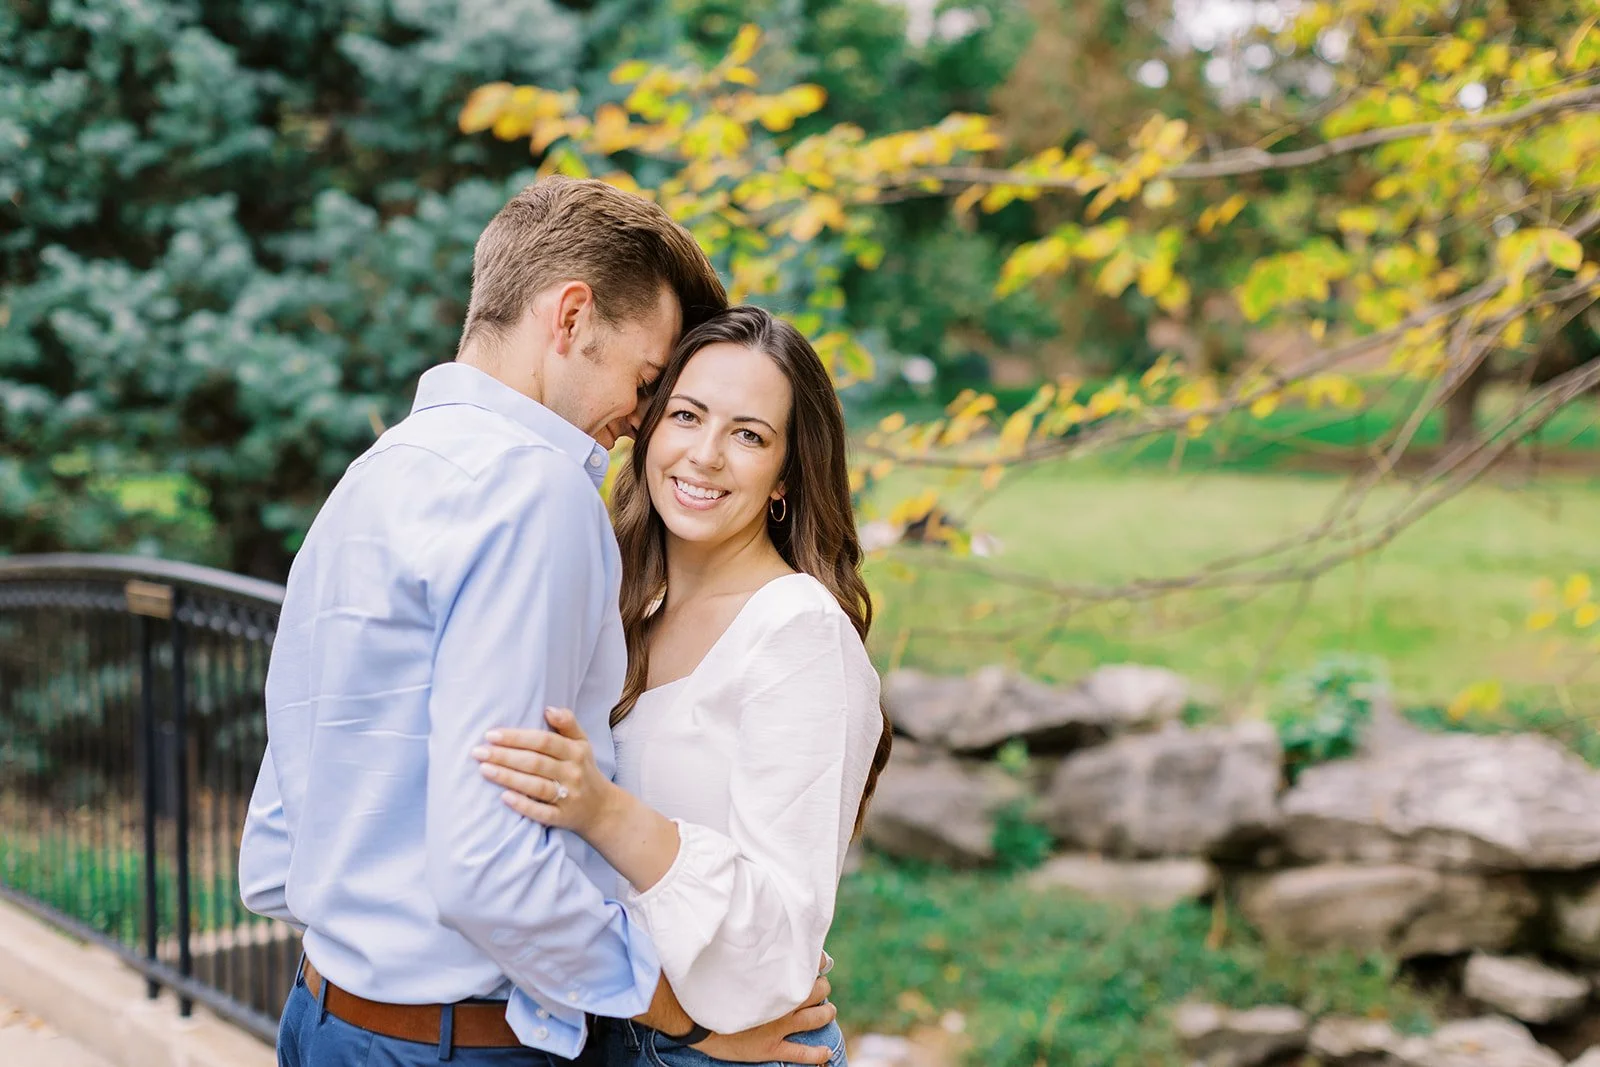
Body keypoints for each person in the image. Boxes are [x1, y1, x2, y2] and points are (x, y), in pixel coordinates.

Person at [238, 179, 837, 1067]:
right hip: (459, 1044)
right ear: (570, 317)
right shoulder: (537, 488)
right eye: (646, 380)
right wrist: (675, 1012)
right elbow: (487, 867)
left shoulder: (373, 475)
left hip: (322, 1016)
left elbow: (275, 847)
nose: (637, 420)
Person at [472, 306, 893, 1067]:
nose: (704, 455)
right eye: (687, 416)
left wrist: (606, 811)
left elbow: (779, 934)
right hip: (602, 1020)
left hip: (722, 1050)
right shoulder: (624, 597)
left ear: (786, 474)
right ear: (650, 427)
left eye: (748, 435)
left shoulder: (798, 632)